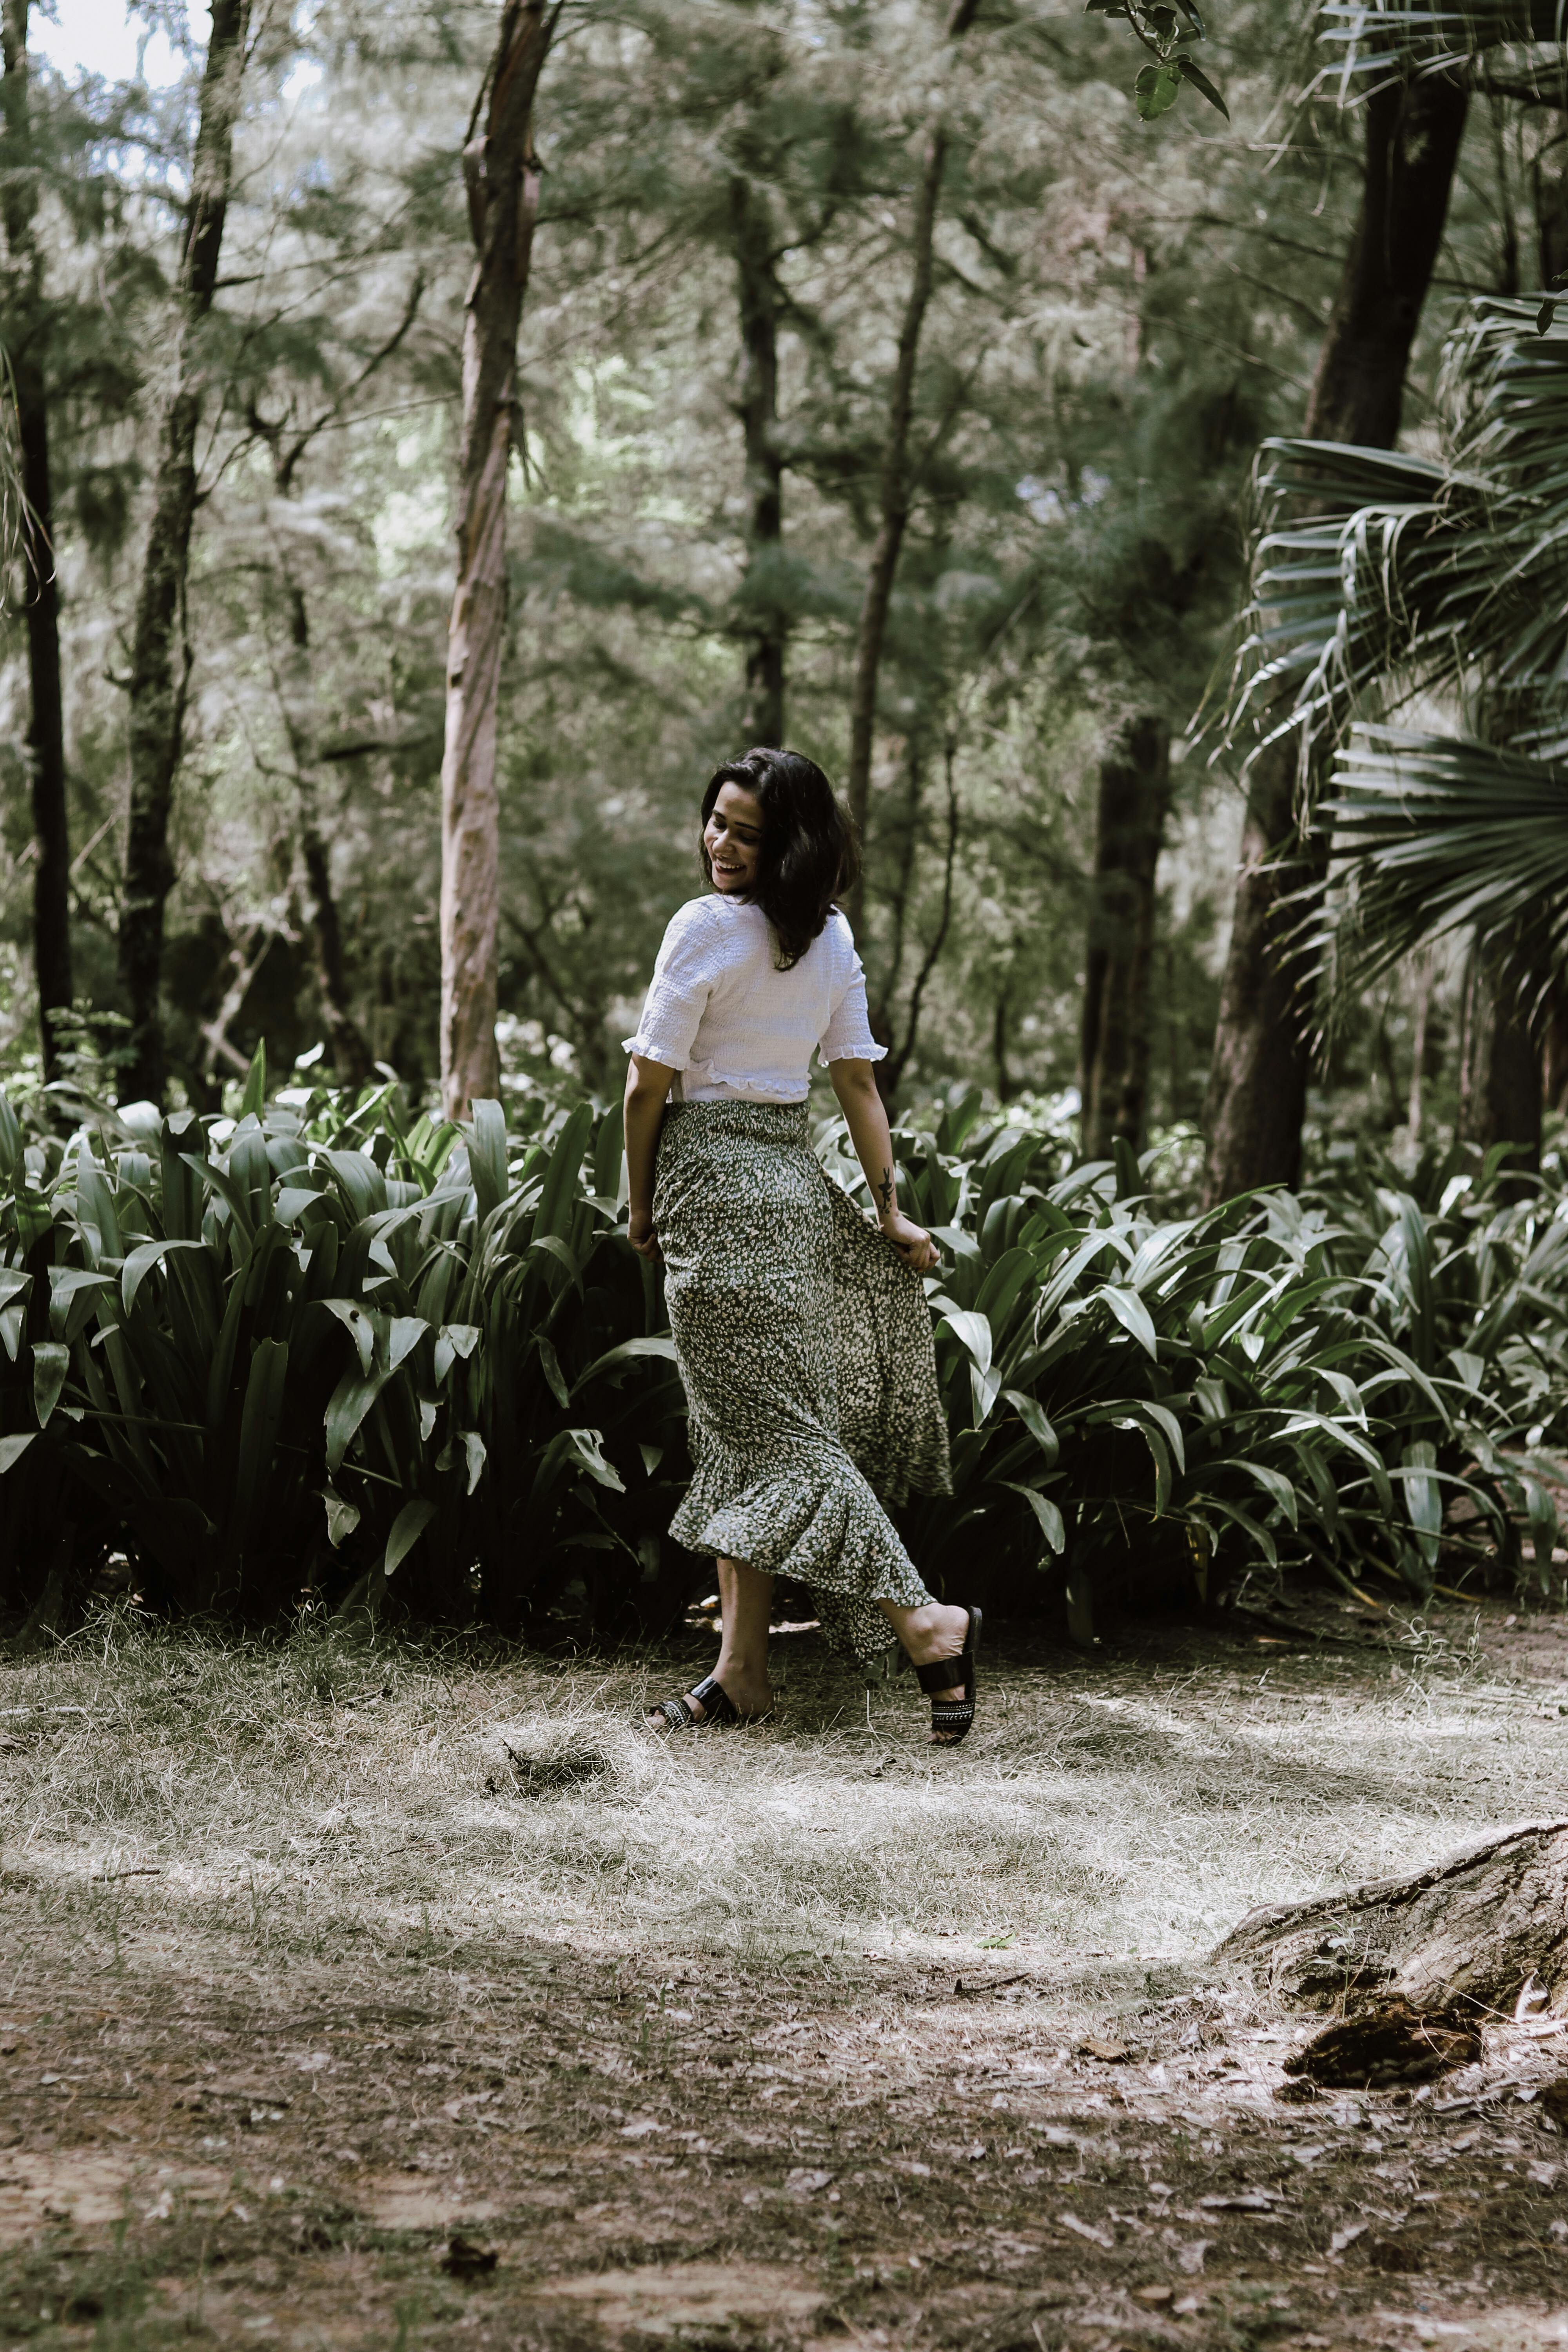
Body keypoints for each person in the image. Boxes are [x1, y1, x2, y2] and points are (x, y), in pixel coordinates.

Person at [622, 746, 979, 1746]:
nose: (719, 843)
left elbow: (648, 1085)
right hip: (789, 1182)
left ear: (789, 844)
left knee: (773, 1438)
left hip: (712, 1189)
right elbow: (856, 1082)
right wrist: (886, 1208)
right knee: (737, 1434)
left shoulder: (700, 928)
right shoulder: (828, 940)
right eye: (715, 821)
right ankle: (740, 1673)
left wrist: (639, 1205)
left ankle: (925, 1618)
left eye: (746, 831)